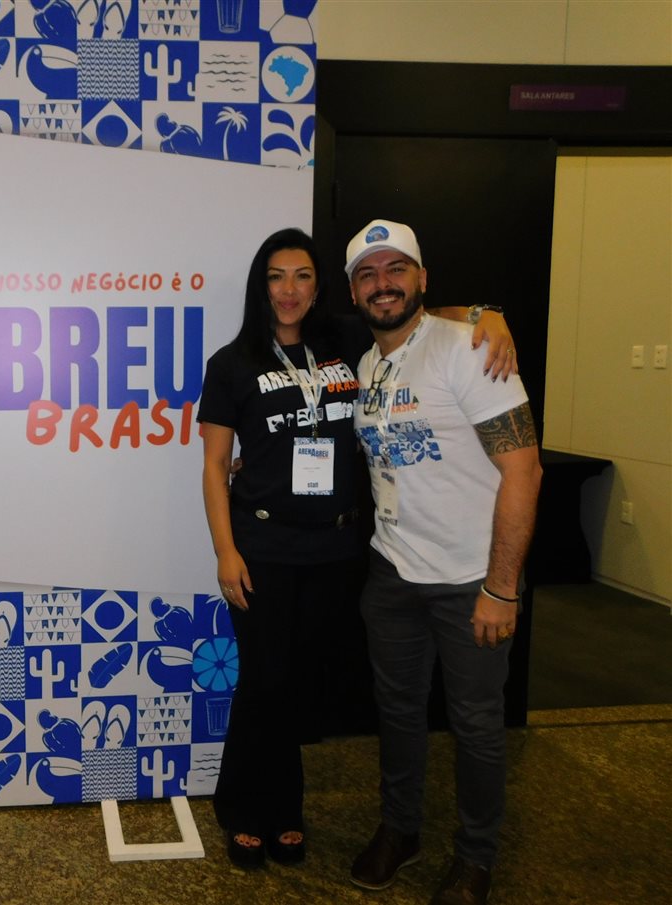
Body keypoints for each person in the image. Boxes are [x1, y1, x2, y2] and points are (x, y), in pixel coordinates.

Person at [197, 228, 517, 870]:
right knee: (265, 681)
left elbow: (422, 316)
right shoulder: (232, 363)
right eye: (276, 277)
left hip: (339, 550)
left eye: (303, 276)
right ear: (261, 287)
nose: (289, 291)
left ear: (321, 288)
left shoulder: (346, 340)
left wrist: (489, 316)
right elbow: (214, 466)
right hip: (262, 546)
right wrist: (226, 552)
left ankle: (287, 809)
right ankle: (244, 808)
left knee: (302, 687)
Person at [344, 219, 542, 905]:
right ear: (353, 291)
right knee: (397, 713)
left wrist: (502, 586)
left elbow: (524, 469)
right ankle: (402, 829)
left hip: (470, 583)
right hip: (393, 574)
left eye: (397, 268)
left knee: (477, 725)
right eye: (368, 274)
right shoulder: (369, 367)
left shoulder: (468, 349)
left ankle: (475, 856)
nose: (383, 283)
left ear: (422, 278)